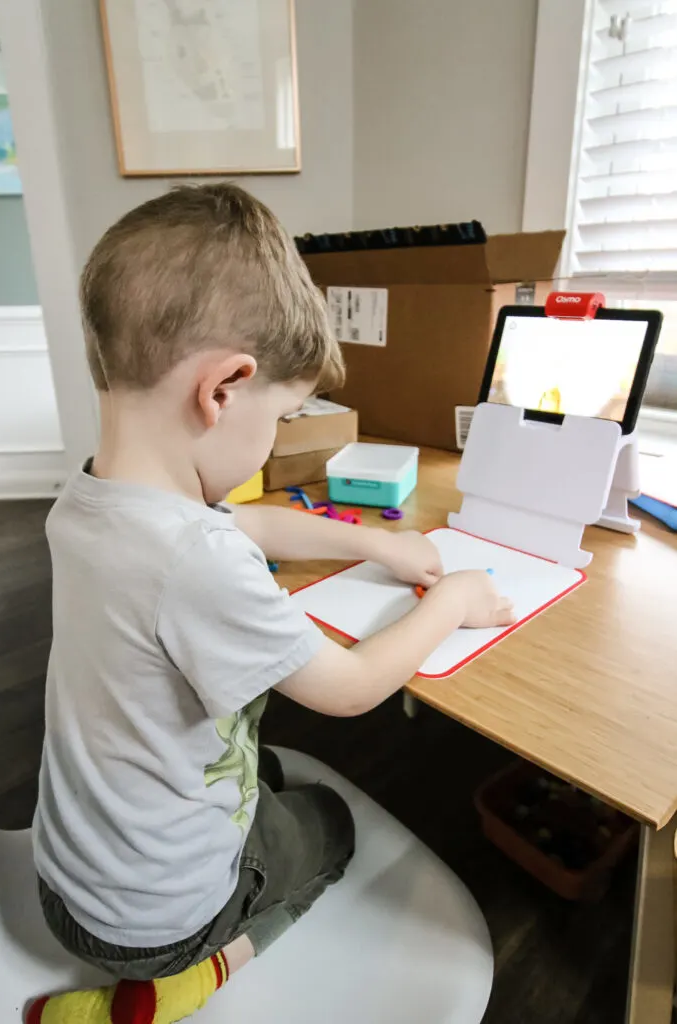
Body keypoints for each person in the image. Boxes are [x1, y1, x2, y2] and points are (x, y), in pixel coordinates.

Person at [28, 183, 515, 1024]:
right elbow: (351, 689)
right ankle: (178, 989)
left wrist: (378, 544)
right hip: (156, 926)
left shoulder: (91, 497)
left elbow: (241, 520)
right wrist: (454, 599)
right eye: (286, 415)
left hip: (66, 881)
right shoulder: (196, 559)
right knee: (327, 820)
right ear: (223, 389)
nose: (279, 434)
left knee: (274, 777)